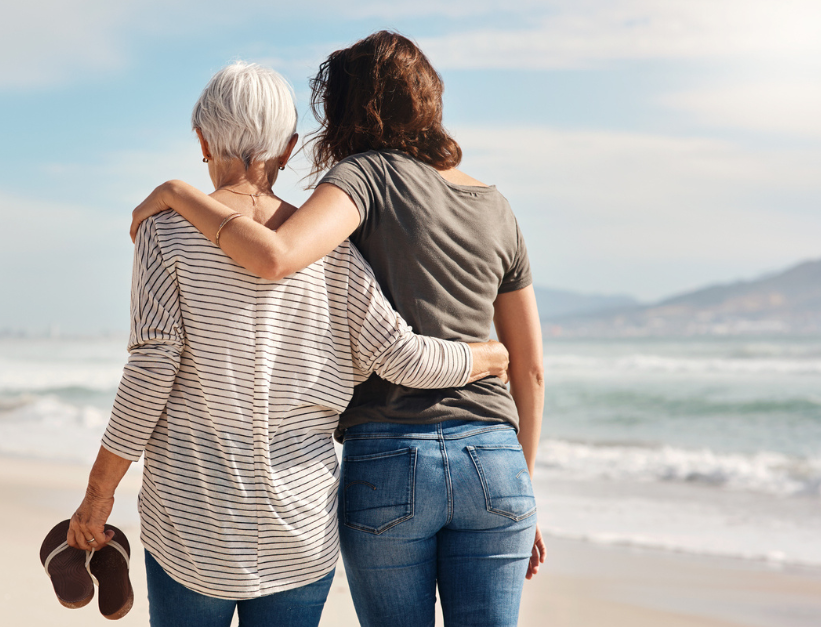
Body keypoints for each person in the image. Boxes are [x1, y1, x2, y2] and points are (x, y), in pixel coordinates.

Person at [67, 62, 510, 627]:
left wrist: (99, 493)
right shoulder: (333, 250)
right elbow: (405, 358)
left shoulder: (166, 229)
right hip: (298, 525)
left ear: (202, 140)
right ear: (290, 146)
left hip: (191, 519)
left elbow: (152, 371)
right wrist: (487, 355)